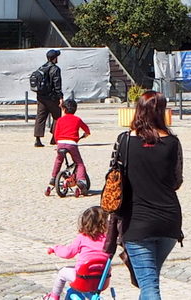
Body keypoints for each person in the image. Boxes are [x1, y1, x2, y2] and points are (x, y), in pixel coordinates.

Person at [114, 90, 183, 300]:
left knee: (150, 286)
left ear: (138, 110)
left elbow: (114, 180)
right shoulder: (172, 142)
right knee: (149, 282)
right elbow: (176, 182)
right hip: (169, 221)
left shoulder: (125, 141)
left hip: (137, 222)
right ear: (162, 111)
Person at [44, 205, 109, 300]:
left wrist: (55, 249)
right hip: (102, 279)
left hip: (83, 277)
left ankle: (54, 297)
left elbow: (68, 253)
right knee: (89, 286)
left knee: (62, 272)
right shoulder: (107, 239)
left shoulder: (82, 237)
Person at [48, 96, 91, 195]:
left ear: (63, 109)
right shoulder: (77, 119)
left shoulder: (60, 120)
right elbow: (86, 129)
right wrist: (86, 134)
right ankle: (81, 180)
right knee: (79, 163)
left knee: (59, 160)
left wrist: (58, 143)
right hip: (72, 144)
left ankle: (54, 177)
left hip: (61, 143)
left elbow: (56, 134)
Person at [32, 49, 64, 147]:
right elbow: (57, 84)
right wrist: (60, 98)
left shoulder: (42, 67)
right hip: (52, 97)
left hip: (41, 97)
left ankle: (37, 139)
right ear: (54, 58)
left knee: (40, 117)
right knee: (57, 117)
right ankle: (54, 138)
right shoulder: (55, 69)